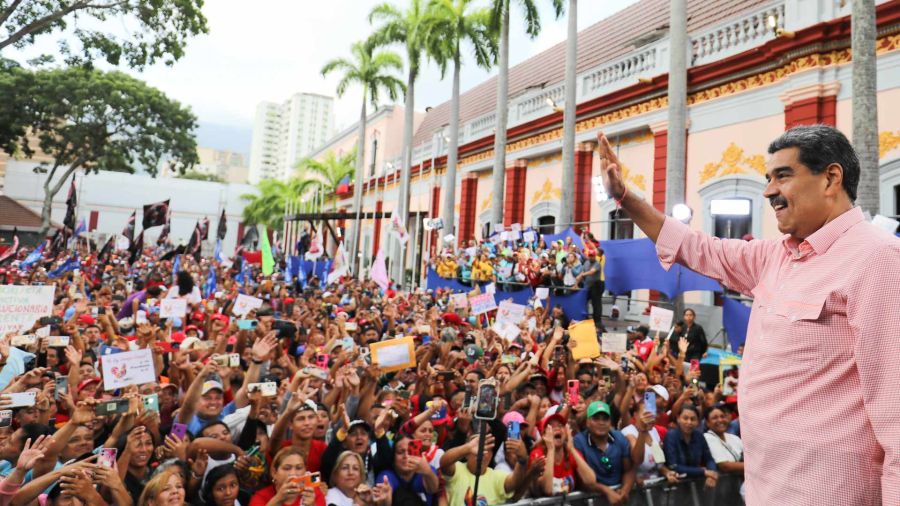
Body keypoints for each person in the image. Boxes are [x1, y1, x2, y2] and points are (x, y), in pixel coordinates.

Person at [597, 125, 900, 505]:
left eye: (783, 176)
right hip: (763, 490)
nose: (769, 191)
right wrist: (624, 198)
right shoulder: (774, 256)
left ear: (831, 178)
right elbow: (694, 246)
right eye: (768, 178)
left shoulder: (879, 260)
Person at [572, 401, 634, 505]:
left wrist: (625, 491)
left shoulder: (619, 437)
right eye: (596, 418)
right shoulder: (579, 441)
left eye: (605, 418)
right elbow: (581, 481)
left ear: (610, 422)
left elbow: (629, 469)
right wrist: (606, 491)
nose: (601, 422)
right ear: (587, 422)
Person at [248, 447, 323, 506]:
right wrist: (279, 499)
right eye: (287, 468)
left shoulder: (313, 493)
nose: (293, 473)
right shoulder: (260, 497)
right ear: (274, 473)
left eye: (299, 468)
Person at [326, 451, 392, 506]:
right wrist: (357, 503)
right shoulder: (329, 497)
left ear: (361, 476)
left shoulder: (368, 497)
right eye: (345, 468)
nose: (350, 472)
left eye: (355, 468)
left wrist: (384, 504)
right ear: (335, 475)